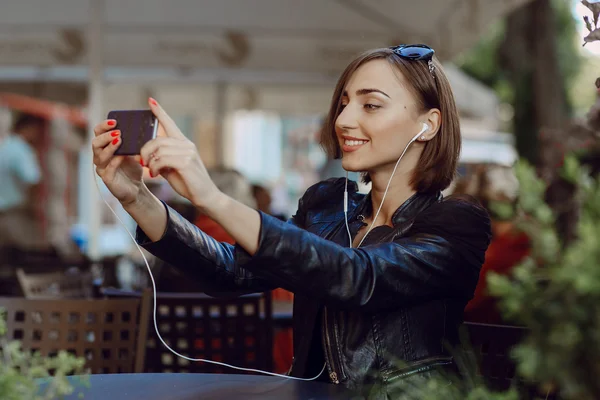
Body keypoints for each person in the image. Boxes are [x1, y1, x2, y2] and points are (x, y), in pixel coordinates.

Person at [92, 44, 491, 399]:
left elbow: (359, 279)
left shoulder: (457, 222)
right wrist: (137, 198)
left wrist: (211, 197)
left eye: (370, 105)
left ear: (428, 124)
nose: (343, 120)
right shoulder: (326, 205)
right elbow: (232, 271)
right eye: (344, 102)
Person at [0, 113, 44, 250]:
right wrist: (33, 207)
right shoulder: (22, 150)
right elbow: (33, 181)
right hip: (16, 214)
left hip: (3, 214)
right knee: (31, 258)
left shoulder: (4, 146)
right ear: (29, 128)